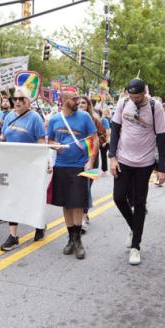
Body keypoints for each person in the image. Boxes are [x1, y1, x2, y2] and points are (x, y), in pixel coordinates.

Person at [109, 78, 165, 265]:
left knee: (140, 203)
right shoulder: (123, 102)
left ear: (144, 92)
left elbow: (161, 137)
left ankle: (136, 247)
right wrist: (112, 157)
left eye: (137, 96)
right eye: (131, 95)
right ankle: (135, 227)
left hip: (145, 163)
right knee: (118, 197)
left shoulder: (154, 107)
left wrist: (162, 168)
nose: (133, 99)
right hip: (123, 159)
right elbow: (115, 131)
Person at [0, 87, 47, 252]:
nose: (17, 102)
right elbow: (6, 137)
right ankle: (13, 236)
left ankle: (39, 224)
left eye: (22, 99)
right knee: (12, 199)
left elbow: (41, 141)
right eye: (15, 99)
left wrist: (46, 162)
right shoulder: (9, 117)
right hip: (12, 165)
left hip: (30, 165)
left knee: (31, 198)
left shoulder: (35, 118)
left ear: (28, 101)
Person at [47, 87, 98, 260]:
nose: (77, 102)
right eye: (74, 99)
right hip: (61, 166)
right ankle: (70, 238)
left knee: (77, 203)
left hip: (80, 166)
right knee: (66, 204)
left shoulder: (84, 117)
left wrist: (91, 161)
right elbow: (50, 140)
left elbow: (94, 138)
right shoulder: (54, 119)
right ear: (63, 100)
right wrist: (55, 146)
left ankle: (78, 241)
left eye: (78, 99)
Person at [79, 96, 105, 232]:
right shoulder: (72, 118)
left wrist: (91, 143)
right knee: (78, 188)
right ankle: (79, 217)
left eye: (83, 102)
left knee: (86, 187)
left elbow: (103, 136)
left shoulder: (94, 119)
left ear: (88, 105)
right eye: (78, 102)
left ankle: (84, 217)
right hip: (76, 158)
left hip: (92, 158)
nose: (80, 104)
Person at [99, 108, 111, 176]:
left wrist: (105, 141)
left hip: (105, 141)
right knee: (102, 154)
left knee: (108, 154)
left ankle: (104, 171)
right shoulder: (96, 120)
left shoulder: (104, 120)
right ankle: (104, 170)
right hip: (99, 140)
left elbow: (108, 131)